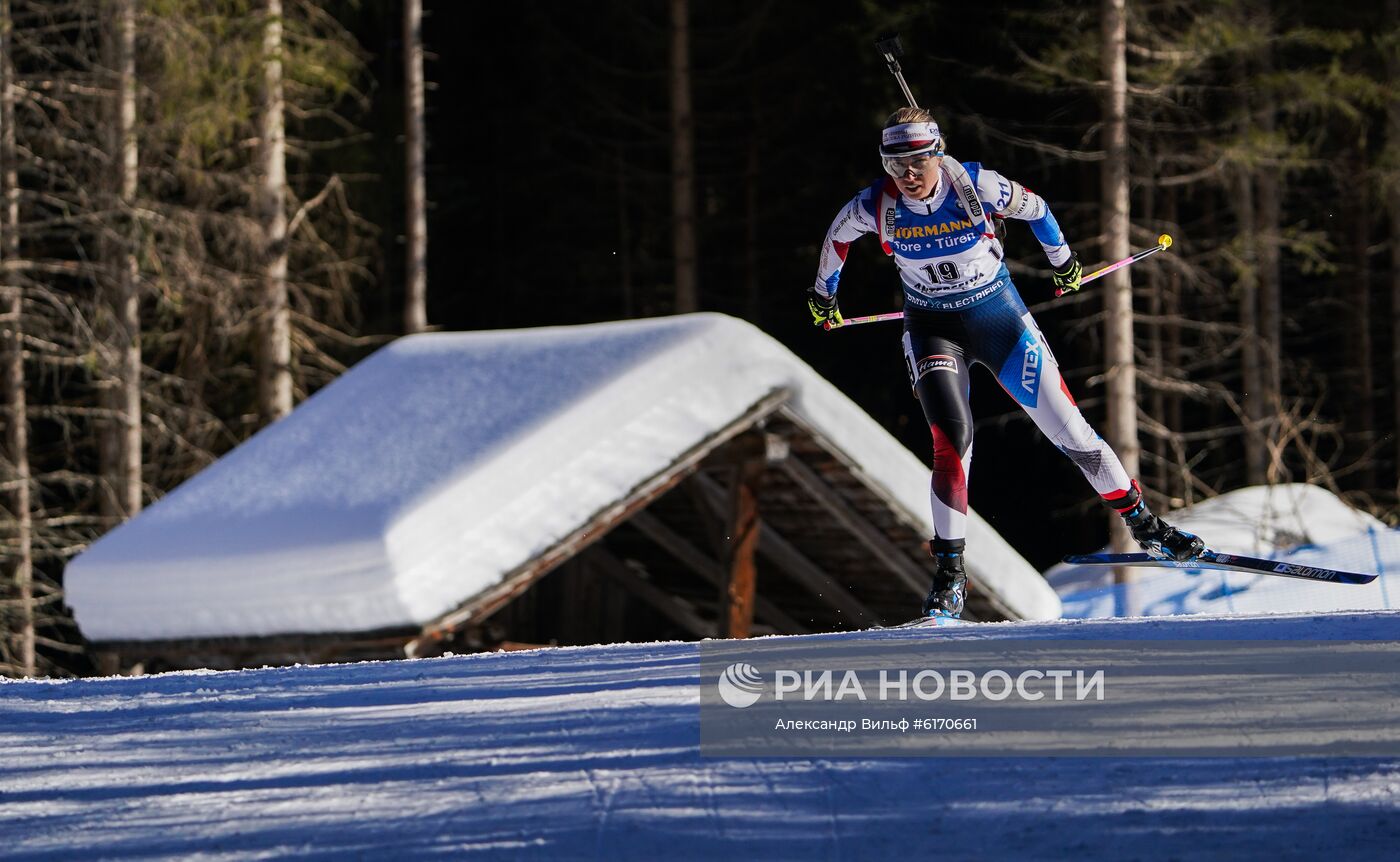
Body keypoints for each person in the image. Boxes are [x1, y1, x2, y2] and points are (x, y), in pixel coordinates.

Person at [808, 107, 1202, 620]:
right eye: (893, 164)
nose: (906, 175)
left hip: (1000, 321)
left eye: (916, 162)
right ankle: (950, 575)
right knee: (952, 444)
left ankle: (1147, 526)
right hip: (932, 330)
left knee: (1073, 434)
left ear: (937, 154)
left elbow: (1036, 209)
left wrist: (1064, 263)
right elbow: (836, 240)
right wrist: (823, 295)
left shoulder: (975, 185)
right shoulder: (874, 205)